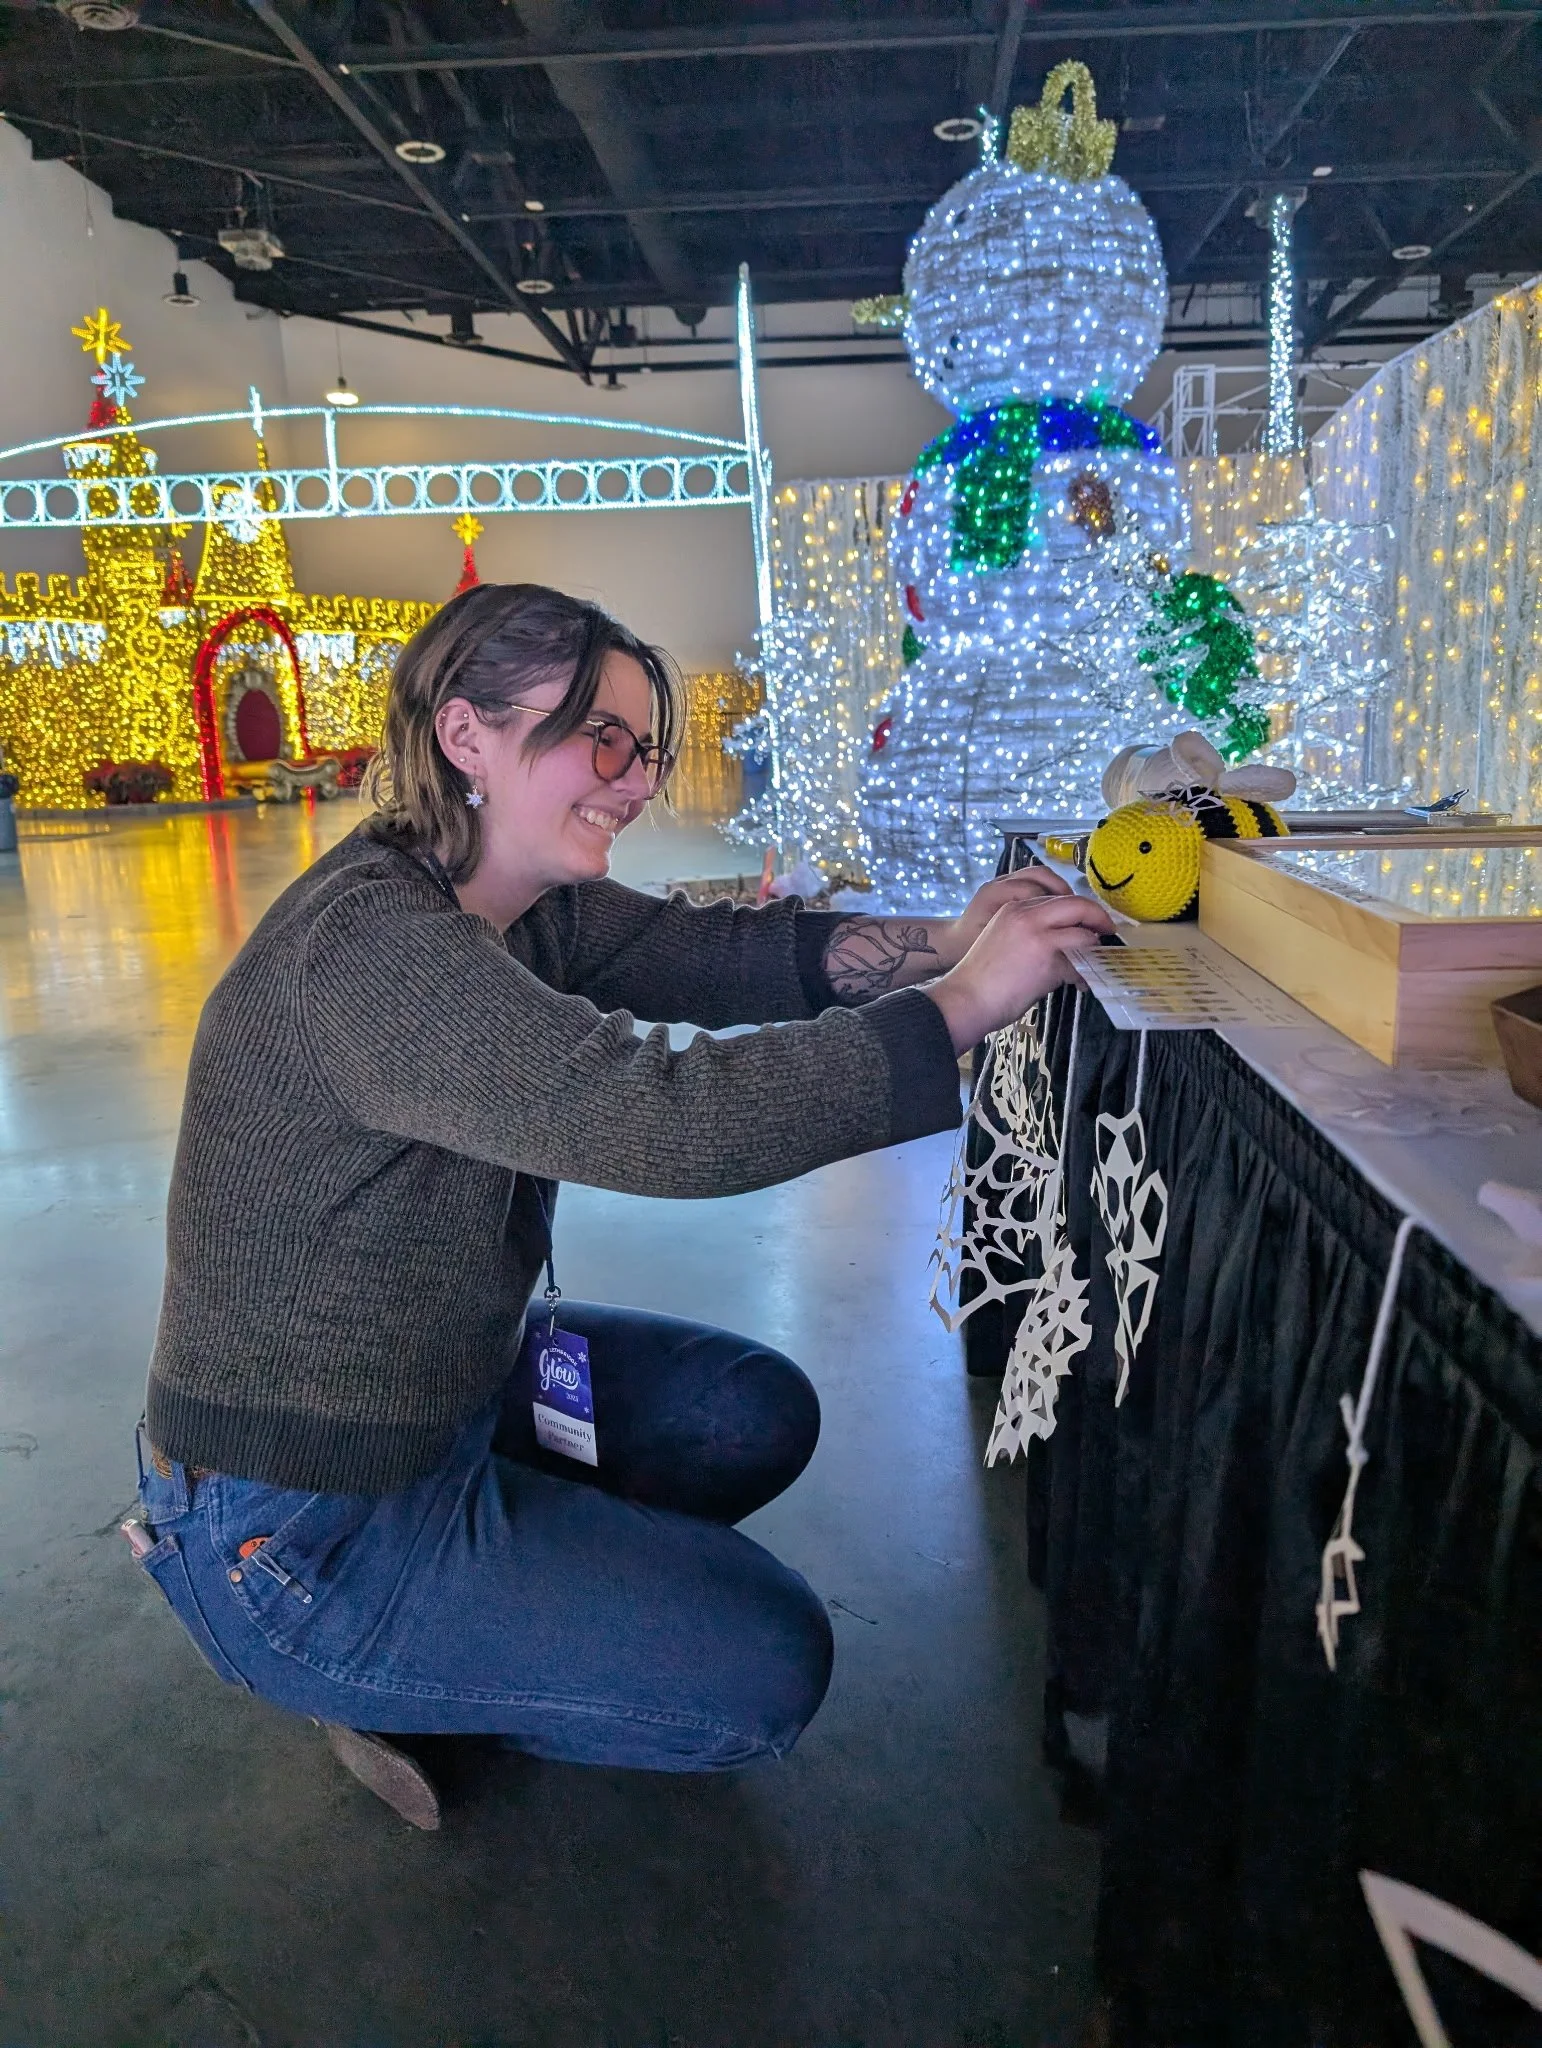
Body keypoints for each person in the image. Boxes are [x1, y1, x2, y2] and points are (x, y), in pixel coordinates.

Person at [132, 582, 1112, 1827]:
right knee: (762, 1667)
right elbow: (668, 1117)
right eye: (602, 736)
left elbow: (718, 954)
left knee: (749, 1410)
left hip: (451, 1401)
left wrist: (952, 937)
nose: (637, 778)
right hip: (297, 1519)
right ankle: (362, 1660)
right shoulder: (376, 951)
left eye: (647, 747)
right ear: (465, 732)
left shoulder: (510, 897)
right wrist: (963, 1008)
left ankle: (481, 1615)